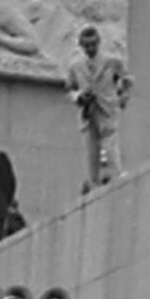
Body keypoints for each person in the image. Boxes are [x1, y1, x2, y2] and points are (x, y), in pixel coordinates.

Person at [63, 24, 132, 190]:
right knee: (91, 145)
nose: (90, 48)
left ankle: (117, 171)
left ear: (98, 43)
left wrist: (122, 96)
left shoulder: (111, 61)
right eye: (87, 46)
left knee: (110, 138)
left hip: (107, 105)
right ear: (81, 46)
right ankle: (93, 179)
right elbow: (69, 88)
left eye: (93, 45)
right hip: (88, 109)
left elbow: (126, 79)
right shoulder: (75, 66)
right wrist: (79, 96)